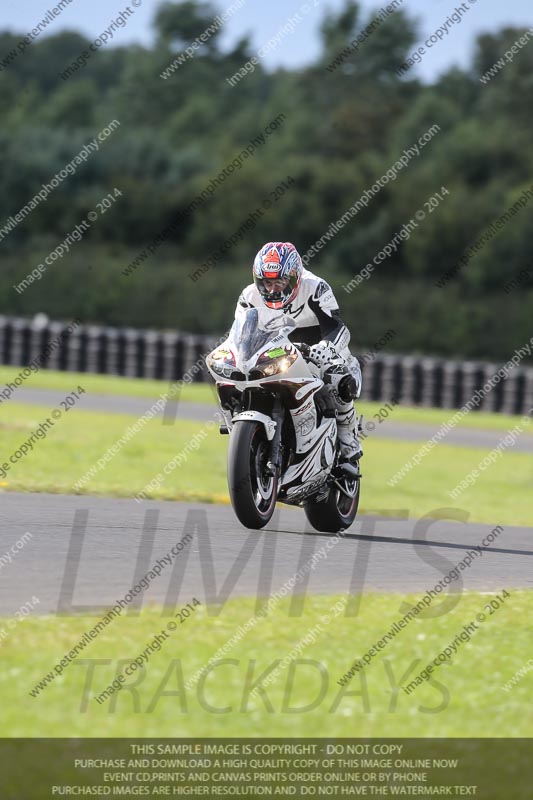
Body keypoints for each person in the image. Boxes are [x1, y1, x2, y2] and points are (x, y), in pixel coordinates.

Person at [232, 241, 362, 464]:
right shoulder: (249, 296)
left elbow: (336, 327)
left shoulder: (315, 287)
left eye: (280, 282)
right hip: (275, 353)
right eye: (267, 283)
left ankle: (348, 436)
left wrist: (325, 349)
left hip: (317, 351)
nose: (273, 289)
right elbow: (241, 334)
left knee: (337, 377)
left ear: (294, 277)